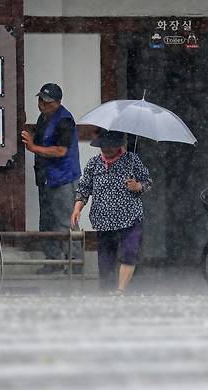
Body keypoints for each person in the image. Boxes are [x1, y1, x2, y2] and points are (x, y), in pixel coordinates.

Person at [71, 130, 152, 295]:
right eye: (103, 146)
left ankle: (120, 290)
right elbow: (84, 189)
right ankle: (106, 292)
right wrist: (77, 208)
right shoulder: (94, 163)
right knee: (106, 261)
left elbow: (147, 182)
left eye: (110, 146)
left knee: (129, 251)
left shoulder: (132, 160)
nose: (106, 150)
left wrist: (137, 186)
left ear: (119, 145)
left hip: (130, 217)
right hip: (103, 220)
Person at [21, 83, 83, 274]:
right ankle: (53, 261)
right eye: (40, 99)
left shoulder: (65, 120)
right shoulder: (43, 117)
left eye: (47, 101)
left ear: (57, 102)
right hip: (46, 177)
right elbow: (41, 140)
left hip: (63, 177)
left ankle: (76, 263)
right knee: (47, 222)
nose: (42, 104)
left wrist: (33, 148)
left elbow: (60, 150)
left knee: (65, 221)